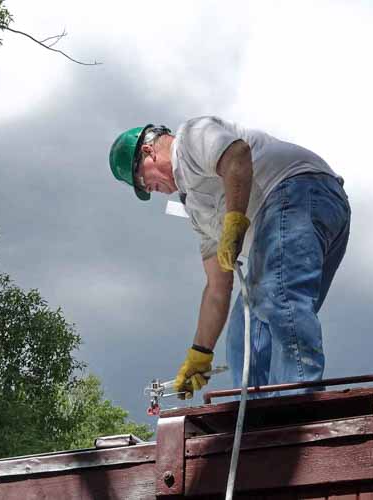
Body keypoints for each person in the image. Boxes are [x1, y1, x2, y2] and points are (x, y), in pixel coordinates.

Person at [108, 117, 351, 399]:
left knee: (278, 295)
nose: (148, 189)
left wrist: (235, 220)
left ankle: (299, 401)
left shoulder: (190, 138)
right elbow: (217, 286)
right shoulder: (197, 209)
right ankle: (258, 422)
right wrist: (200, 353)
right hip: (291, 219)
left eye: (141, 180)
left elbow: (237, 155)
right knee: (243, 331)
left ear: (148, 153)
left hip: (301, 192)